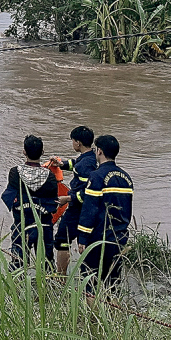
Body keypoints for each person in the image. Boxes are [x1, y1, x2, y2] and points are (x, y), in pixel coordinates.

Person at [77, 134, 133, 293]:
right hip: (119, 237)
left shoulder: (96, 176)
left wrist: (83, 237)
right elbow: (127, 209)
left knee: (90, 280)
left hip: (98, 238)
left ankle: (92, 309)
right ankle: (112, 308)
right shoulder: (126, 178)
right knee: (113, 283)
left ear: (99, 151)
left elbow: (89, 209)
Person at [1, 135, 59, 268]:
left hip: (21, 223)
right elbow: (54, 203)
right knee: (46, 263)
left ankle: (17, 280)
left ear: (24, 152)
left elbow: (9, 197)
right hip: (44, 225)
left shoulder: (15, 173)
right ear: (42, 152)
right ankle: (48, 281)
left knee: (18, 263)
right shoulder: (50, 176)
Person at [50, 125, 97, 274]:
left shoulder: (85, 165)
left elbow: (88, 192)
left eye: (73, 141)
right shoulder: (90, 157)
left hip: (78, 208)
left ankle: (61, 277)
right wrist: (62, 164)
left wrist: (68, 198)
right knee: (84, 240)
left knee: (62, 240)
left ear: (78, 143)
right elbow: (75, 164)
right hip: (85, 208)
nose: (72, 143)